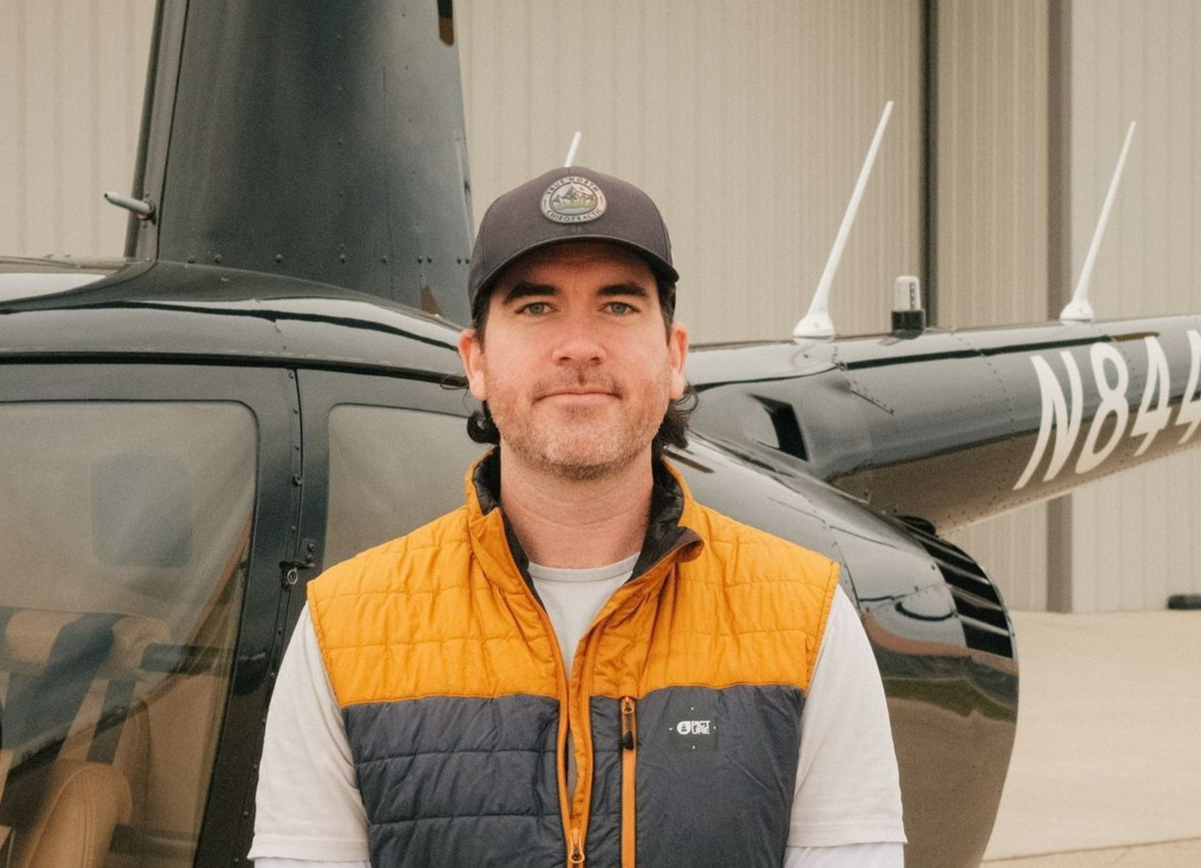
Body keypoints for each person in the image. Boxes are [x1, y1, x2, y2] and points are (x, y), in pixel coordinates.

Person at [248, 167, 906, 868]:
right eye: (536, 308)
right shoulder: (346, 628)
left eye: (618, 307)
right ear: (475, 361)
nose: (579, 345)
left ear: (674, 356)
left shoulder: (805, 619)